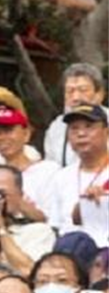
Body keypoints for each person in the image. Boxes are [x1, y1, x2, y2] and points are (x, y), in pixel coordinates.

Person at [50, 104, 109, 247]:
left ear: (106, 132)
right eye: (74, 128)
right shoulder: (62, 176)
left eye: (89, 126)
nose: (81, 134)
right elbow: (56, 225)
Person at [43, 63, 108, 168]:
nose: (76, 97)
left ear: (99, 94)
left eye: (83, 90)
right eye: (70, 91)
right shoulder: (56, 127)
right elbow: (51, 167)